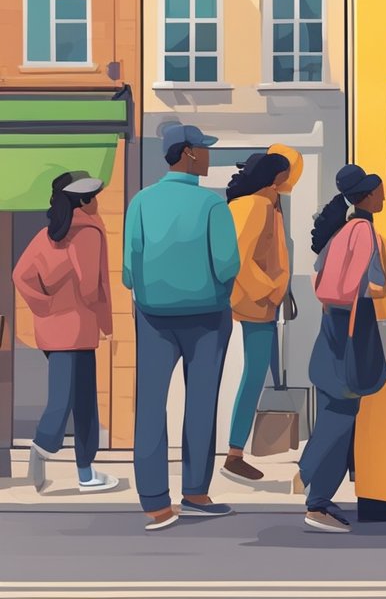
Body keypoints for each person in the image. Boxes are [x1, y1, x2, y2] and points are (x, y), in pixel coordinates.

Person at [123, 123, 240, 531]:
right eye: (204, 149)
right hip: (207, 315)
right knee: (202, 401)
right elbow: (228, 264)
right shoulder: (212, 206)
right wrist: (213, 290)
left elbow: (128, 267)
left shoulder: (140, 201)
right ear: (188, 152)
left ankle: (155, 503)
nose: (209, 156)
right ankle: (195, 491)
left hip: (153, 313)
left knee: (151, 404)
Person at [298, 164, 386, 534]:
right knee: (341, 416)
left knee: (333, 411)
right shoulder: (366, 232)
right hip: (354, 327)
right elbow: (376, 286)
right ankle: (313, 494)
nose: (383, 197)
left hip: (331, 329)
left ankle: (313, 487)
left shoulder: (339, 233)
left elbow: (322, 281)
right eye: (379, 191)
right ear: (367, 197)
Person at [13, 172, 119, 494]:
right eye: (94, 195)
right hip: (78, 328)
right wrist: (105, 322)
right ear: (83, 201)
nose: (98, 201)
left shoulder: (47, 235)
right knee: (77, 402)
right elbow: (91, 287)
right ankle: (46, 449)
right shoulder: (88, 232)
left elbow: (20, 275)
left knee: (74, 398)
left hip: (54, 330)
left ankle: (85, 473)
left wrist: (45, 304)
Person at [220, 146, 303, 483]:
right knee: (253, 375)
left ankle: (234, 453)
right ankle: (234, 454)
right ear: (279, 176)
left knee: (254, 375)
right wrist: (270, 290)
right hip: (253, 303)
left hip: (256, 302)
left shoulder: (265, 204)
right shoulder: (256, 206)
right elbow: (239, 257)